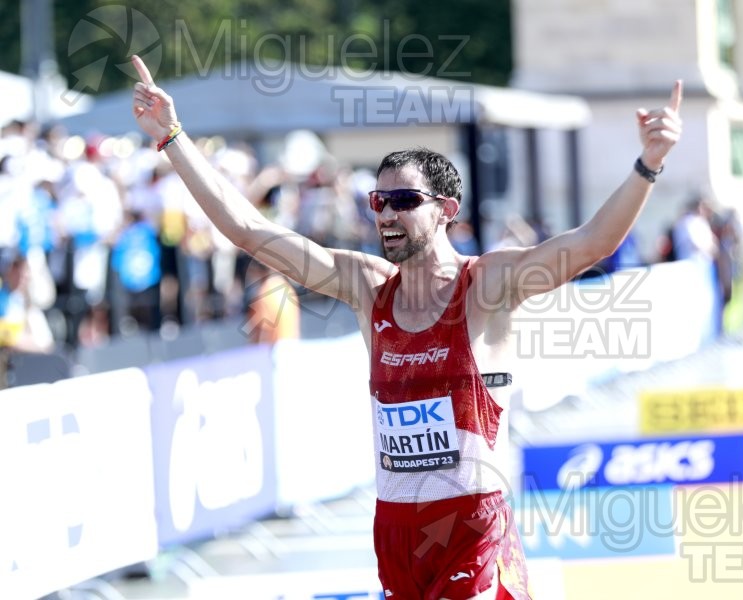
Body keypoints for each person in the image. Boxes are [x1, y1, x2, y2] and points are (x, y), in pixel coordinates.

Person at [131, 55, 682, 599]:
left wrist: (648, 164)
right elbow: (251, 231)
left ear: (447, 208)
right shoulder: (366, 286)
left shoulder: (488, 284)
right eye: (378, 201)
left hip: (471, 527)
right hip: (395, 529)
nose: (386, 214)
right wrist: (173, 137)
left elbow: (589, 245)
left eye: (403, 201)